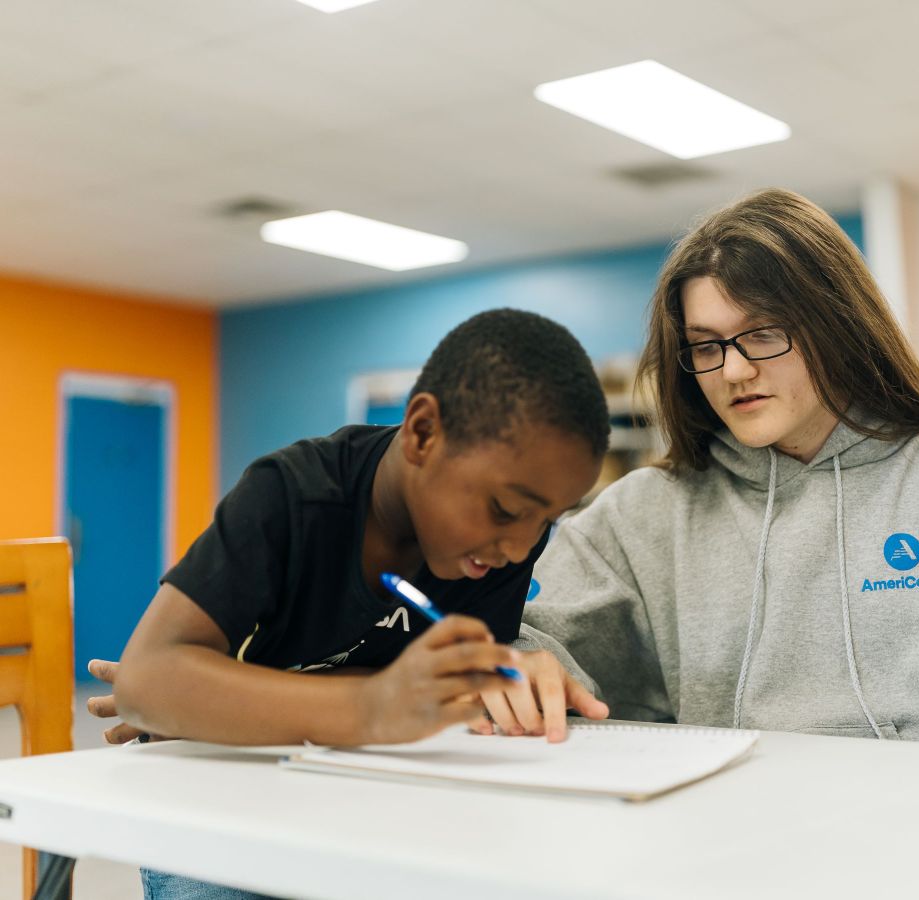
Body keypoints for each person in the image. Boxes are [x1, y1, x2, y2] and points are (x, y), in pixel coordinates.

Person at [474, 188, 919, 797]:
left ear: (835, 327)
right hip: (719, 857)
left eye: (762, 334)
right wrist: (516, 658)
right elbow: (529, 634)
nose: (732, 371)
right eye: (706, 345)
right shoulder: (645, 514)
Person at [102, 308, 612, 899]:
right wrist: (367, 706)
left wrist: (486, 682)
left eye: (546, 520)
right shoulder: (291, 496)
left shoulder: (496, 545)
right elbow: (147, 682)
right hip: (226, 794)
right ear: (423, 432)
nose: (521, 544)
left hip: (370, 795)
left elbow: (445, 695)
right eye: (505, 509)